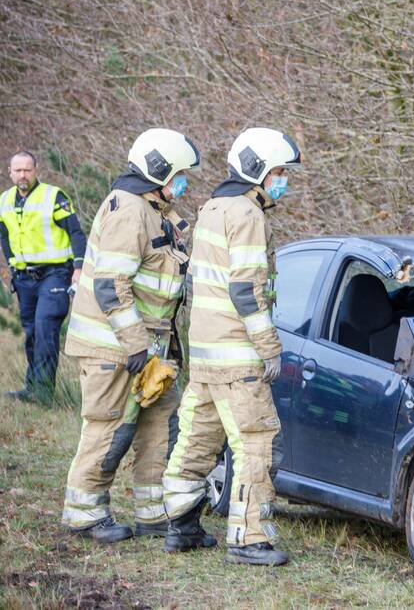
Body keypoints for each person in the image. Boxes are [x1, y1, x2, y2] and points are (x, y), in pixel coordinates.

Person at [162, 127, 300, 566]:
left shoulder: (213, 208)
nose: (283, 180)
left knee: (197, 441)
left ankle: (181, 525)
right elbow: (246, 291)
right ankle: (249, 538)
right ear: (258, 171)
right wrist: (270, 347)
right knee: (257, 442)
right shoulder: (247, 215)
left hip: (205, 352)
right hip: (238, 355)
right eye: (278, 171)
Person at [61, 129, 201, 543]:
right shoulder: (127, 211)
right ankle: (83, 513)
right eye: (180, 175)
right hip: (115, 349)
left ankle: (153, 513)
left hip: (147, 351)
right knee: (109, 429)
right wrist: (136, 344)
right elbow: (111, 286)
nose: (184, 183)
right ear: (159, 171)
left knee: (160, 425)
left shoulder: (153, 210)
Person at [0, 150, 87, 402]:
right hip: (24, 278)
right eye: (18, 170)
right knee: (31, 333)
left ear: (36, 170)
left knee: (45, 329)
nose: (23, 175)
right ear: (10, 173)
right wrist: (13, 266)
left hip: (56, 274)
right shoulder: (4, 200)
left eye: (27, 169)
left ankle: (44, 392)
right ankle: (32, 387)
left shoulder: (53, 196)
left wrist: (78, 269)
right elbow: (5, 235)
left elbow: (76, 233)